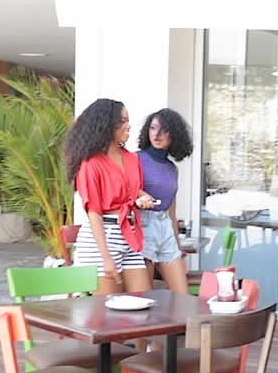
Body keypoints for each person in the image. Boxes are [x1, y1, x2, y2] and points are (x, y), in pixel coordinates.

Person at [66, 100, 155, 295]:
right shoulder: (91, 163)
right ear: (106, 125)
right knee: (106, 315)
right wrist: (106, 257)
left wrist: (143, 196)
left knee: (143, 305)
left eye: (128, 120)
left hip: (129, 235)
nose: (128, 125)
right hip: (101, 240)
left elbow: (132, 189)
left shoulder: (132, 158)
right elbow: (94, 212)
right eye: (122, 121)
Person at [136, 108, 193, 293]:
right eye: (153, 128)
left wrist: (177, 245)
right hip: (142, 225)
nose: (157, 134)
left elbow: (172, 212)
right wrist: (140, 194)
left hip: (165, 229)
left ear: (174, 135)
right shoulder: (135, 159)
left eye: (164, 130)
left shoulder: (172, 168)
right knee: (145, 296)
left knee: (182, 296)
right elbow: (124, 190)